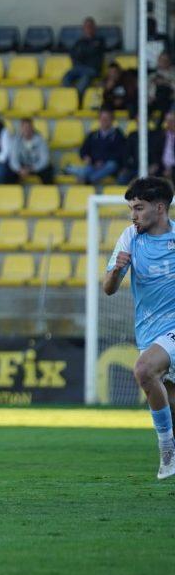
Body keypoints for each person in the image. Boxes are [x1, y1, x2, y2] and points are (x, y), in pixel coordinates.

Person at [102, 176, 175, 480]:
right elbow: (108, 288)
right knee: (169, 402)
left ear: (160, 208)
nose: (133, 215)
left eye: (139, 208)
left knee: (143, 369)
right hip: (149, 333)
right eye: (131, 208)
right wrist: (117, 270)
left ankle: (166, 449)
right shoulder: (130, 237)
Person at [67, 109, 129, 184]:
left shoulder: (118, 135)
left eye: (107, 119)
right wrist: (86, 157)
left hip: (109, 166)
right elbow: (83, 150)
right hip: (93, 164)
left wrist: (103, 161)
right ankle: (73, 170)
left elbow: (120, 154)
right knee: (88, 168)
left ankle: (87, 179)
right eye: (102, 118)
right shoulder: (93, 135)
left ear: (112, 120)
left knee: (111, 165)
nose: (104, 121)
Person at [62, 17, 106, 96]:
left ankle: (77, 96)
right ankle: (69, 95)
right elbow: (73, 54)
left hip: (92, 68)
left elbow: (91, 52)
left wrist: (83, 52)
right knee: (66, 76)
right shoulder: (79, 41)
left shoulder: (99, 40)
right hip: (79, 67)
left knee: (85, 79)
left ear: (94, 28)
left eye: (90, 26)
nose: (88, 28)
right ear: (83, 28)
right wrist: (84, 53)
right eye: (86, 26)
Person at [6, 118, 52, 184]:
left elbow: (44, 160)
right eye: (24, 127)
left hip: (35, 166)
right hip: (22, 167)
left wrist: (32, 168)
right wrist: (19, 169)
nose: (26, 129)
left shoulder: (41, 140)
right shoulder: (16, 141)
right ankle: (11, 191)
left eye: (28, 127)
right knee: (8, 173)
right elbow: (13, 159)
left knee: (47, 172)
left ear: (32, 128)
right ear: (21, 128)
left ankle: (48, 190)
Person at [148, 111, 175, 182]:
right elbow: (155, 152)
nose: (169, 123)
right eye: (167, 121)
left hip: (173, 166)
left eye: (172, 121)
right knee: (151, 172)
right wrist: (155, 163)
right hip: (162, 166)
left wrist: (171, 169)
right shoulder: (161, 135)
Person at [149, 52, 175, 123]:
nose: (163, 62)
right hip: (155, 100)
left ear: (169, 61)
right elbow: (148, 89)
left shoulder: (173, 73)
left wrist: (165, 82)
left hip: (170, 100)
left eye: (165, 60)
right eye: (161, 60)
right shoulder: (153, 75)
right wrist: (151, 96)